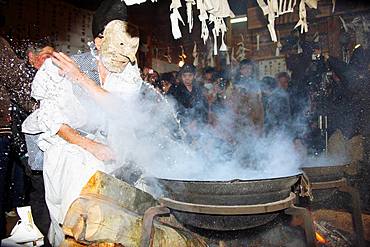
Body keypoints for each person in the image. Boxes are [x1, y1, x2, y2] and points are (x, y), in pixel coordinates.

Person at [22, 0, 141, 245]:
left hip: (95, 147)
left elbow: (120, 111)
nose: (124, 58)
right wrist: (91, 145)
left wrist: (81, 79)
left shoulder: (127, 71)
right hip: (59, 142)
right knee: (64, 214)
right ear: (99, 42)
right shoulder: (61, 67)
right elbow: (53, 122)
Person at [0, 37, 54, 240]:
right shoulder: (26, 78)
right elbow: (19, 97)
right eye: (46, 56)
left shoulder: (51, 77)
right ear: (32, 57)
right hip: (22, 142)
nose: (51, 61)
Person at [170, 64, 208, 137]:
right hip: (180, 128)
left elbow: (204, 108)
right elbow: (171, 108)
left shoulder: (199, 90)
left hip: (197, 128)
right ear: (181, 76)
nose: (187, 78)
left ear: (194, 76)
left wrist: (197, 121)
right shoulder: (175, 89)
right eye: (184, 76)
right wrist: (184, 123)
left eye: (190, 75)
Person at [229, 59, 264, 136]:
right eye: (244, 68)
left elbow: (260, 104)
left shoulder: (256, 84)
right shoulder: (236, 85)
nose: (247, 70)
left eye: (249, 68)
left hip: (254, 118)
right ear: (240, 70)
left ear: (252, 70)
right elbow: (233, 104)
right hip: (241, 119)